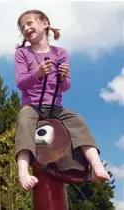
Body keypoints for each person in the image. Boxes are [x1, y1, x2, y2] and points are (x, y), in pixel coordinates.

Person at [14, 9, 110, 192]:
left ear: (45, 23)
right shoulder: (22, 54)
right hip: (32, 106)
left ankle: (95, 165)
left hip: (55, 106)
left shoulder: (60, 53)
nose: (26, 28)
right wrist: (38, 74)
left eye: (30, 23)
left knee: (77, 120)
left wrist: (64, 78)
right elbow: (20, 83)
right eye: (22, 27)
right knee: (24, 121)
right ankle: (23, 171)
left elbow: (65, 86)